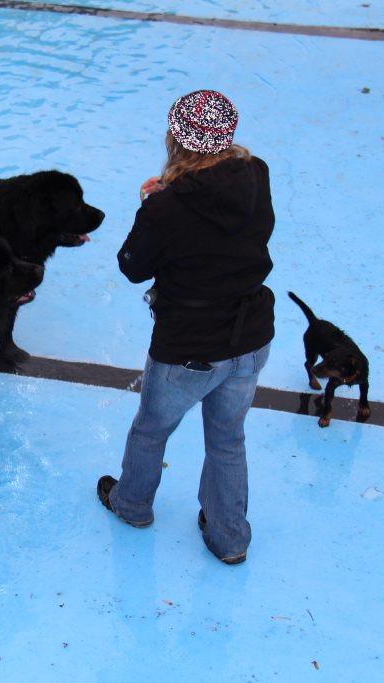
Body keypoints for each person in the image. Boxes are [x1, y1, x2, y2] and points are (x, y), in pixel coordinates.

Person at [96, 90, 275, 565]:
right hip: (252, 335)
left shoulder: (167, 207)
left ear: (176, 138)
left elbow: (133, 265)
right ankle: (229, 536)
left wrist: (150, 205)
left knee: (152, 430)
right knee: (227, 439)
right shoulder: (257, 175)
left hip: (190, 346)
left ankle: (132, 504)